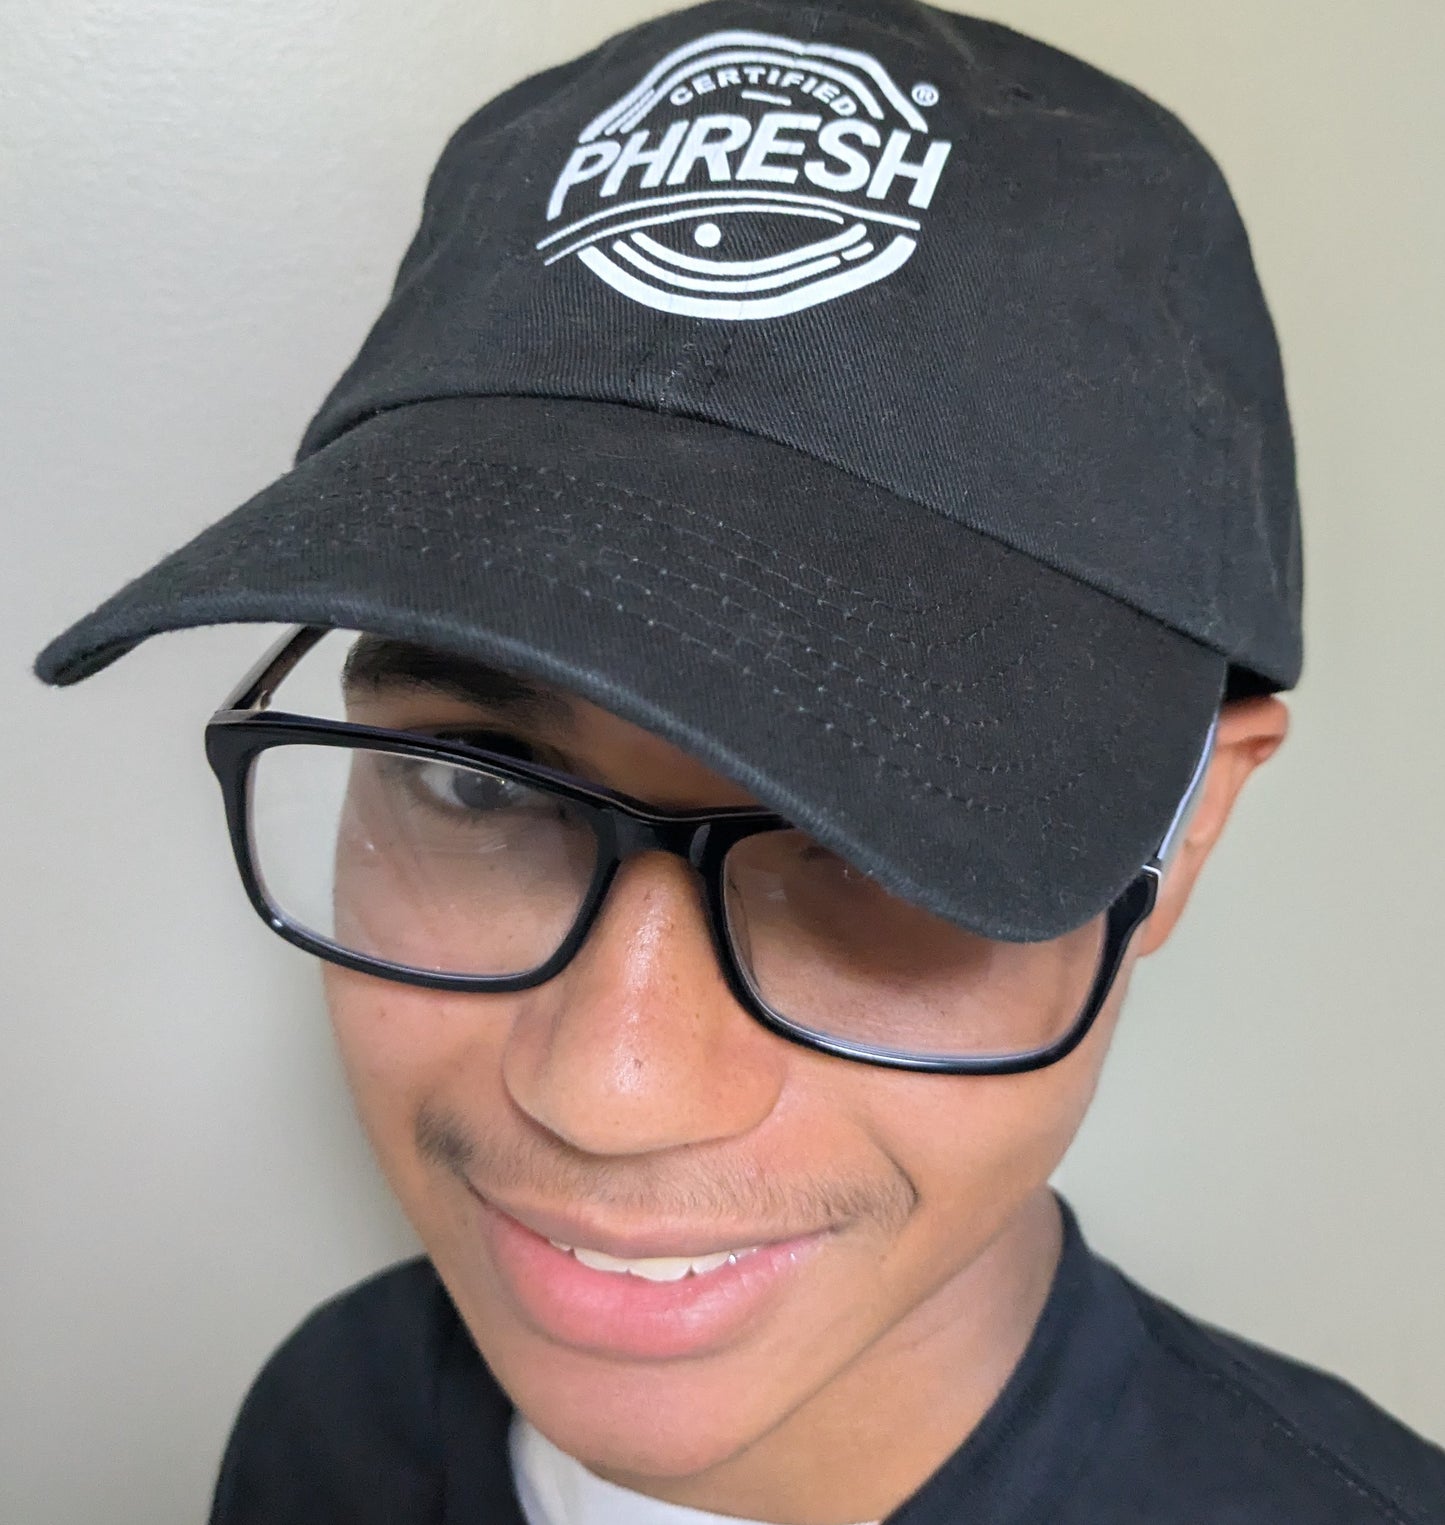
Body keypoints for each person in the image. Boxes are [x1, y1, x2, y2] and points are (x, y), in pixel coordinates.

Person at [33, 0, 1445, 1520]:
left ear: (1189, 822)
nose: (609, 1090)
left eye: (870, 832)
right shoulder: (328, 1416)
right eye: (480, 782)